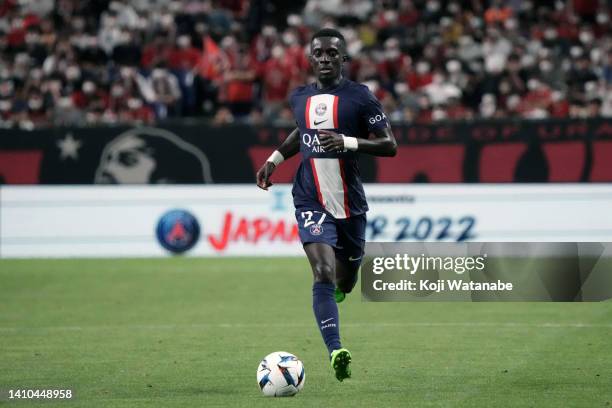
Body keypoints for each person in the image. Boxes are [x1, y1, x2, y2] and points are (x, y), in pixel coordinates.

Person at [256, 28, 397, 381]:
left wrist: (348, 142)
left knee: (346, 281)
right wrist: (274, 159)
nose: (324, 58)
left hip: (349, 204)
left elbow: (388, 144)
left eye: (332, 53)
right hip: (310, 198)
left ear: (343, 58)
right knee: (322, 272)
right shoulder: (300, 97)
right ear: (310, 57)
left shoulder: (360, 98)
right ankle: (335, 350)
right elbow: (299, 133)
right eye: (318, 53)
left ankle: (338, 291)